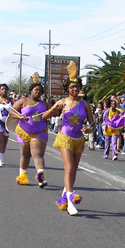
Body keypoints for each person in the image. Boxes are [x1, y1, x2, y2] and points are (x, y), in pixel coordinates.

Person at [41, 74, 93, 215]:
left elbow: (92, 123)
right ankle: (71, 201)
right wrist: (54, 108)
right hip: (65, 137)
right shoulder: (62, 102)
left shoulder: (85, 104)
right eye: (72, 87)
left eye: (77, 86)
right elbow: (44, 117)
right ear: (67, 89)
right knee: (69, 168)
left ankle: (65, 195)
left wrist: (89, 129)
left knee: (74, 170)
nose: (75, 89)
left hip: (79, 139)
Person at [9, 82, 48, 187]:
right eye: (36, 89)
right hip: (23, 131)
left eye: (40, 90)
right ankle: (22, 176)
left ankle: (41, 176)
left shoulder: (44, 104)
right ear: (31, 90)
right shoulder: (23, 101)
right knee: (25, 155)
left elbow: (53, 111)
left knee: (38, 154)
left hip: (40, 132)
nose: (38, 91)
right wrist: (19, 116)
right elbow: (11, 111)